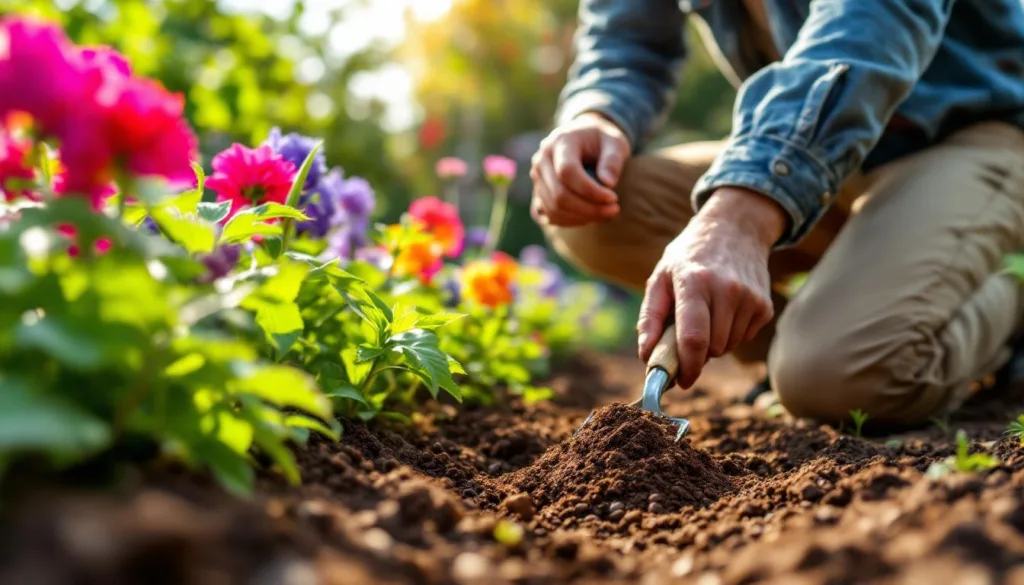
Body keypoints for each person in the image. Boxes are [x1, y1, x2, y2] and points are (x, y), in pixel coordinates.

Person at [530, 0, 1024, 426]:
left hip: (971, 135)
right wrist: (597, 114)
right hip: (827, 154)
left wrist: (742, 214)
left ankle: (1007, 295)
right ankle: (835, 329)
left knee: (840, 378)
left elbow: (868, 29)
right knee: (591, 208)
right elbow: (625, 45)